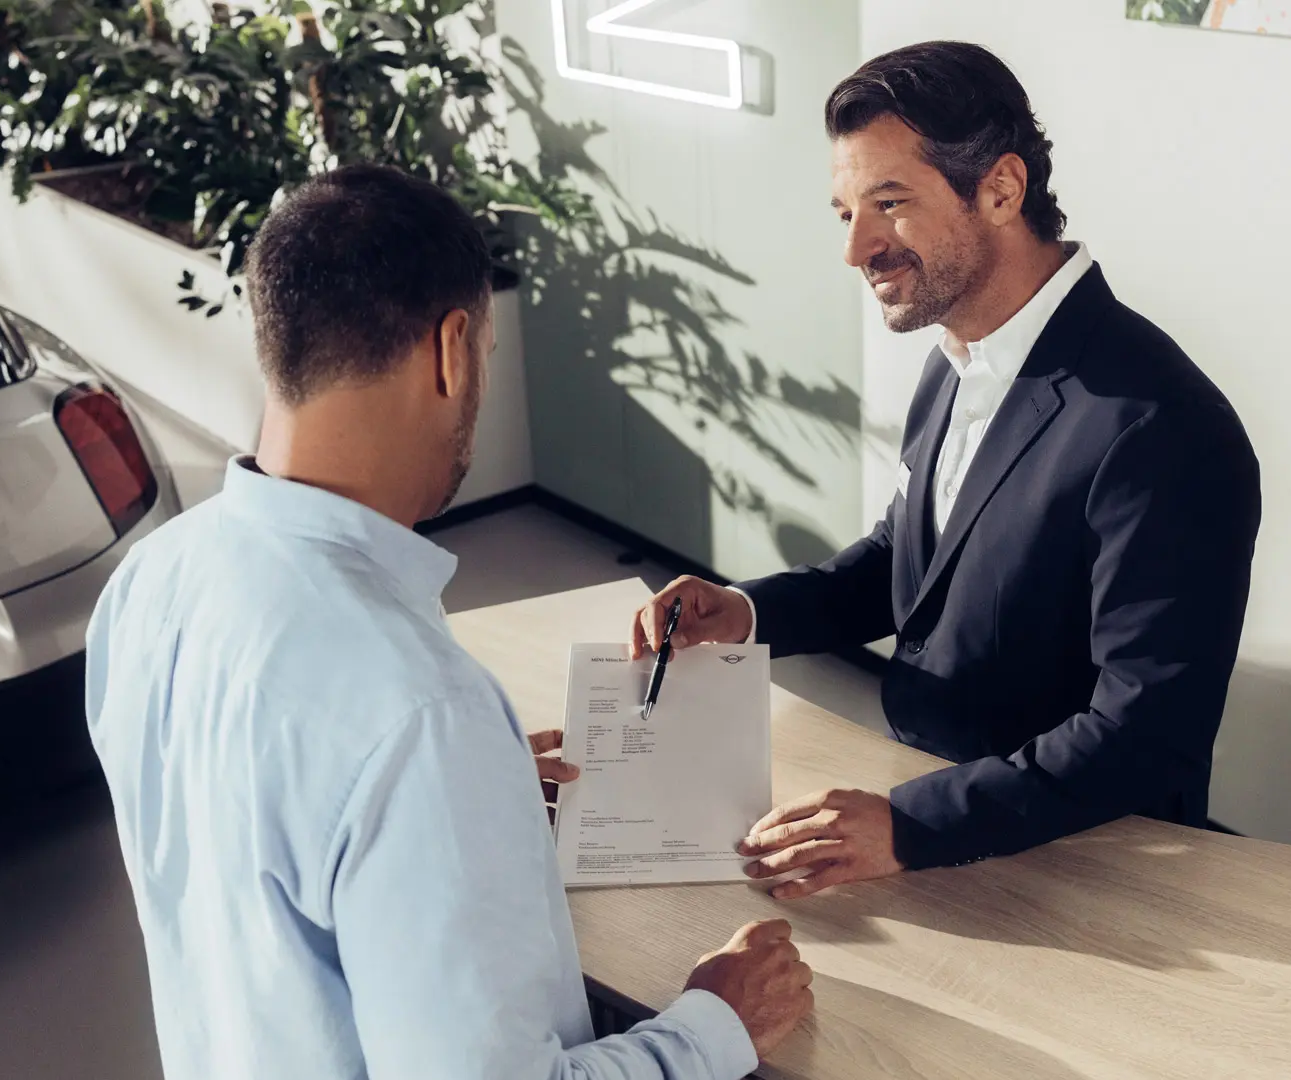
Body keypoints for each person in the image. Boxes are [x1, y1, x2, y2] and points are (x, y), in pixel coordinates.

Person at [86, 165, 812, 1080]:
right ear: (452, 351)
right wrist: (714, 1025)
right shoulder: (423, 714)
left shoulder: (150, 581)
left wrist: (464, 810)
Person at [630, 42, 1262, 896]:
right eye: (845, 211)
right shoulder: (958, 358)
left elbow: (1147, 736)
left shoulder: (1162, 428)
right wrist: (744, 614)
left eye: (889, 203)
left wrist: (913, 825)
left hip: (1084, 873)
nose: (857, 249)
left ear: (1001, 189)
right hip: (932, 829)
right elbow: (907, 563)